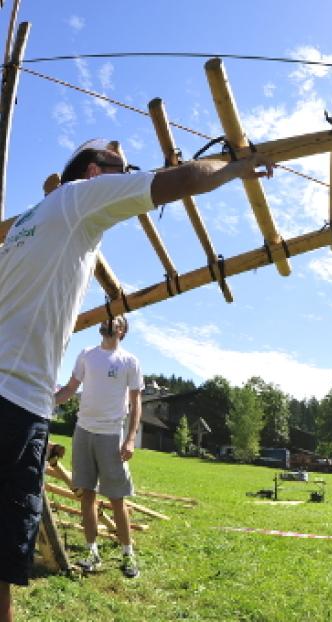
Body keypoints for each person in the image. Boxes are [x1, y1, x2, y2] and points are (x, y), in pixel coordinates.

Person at [0, 138, 273, 621]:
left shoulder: (30, 221)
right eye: (120, 169)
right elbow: (185, 180)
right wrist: (238, 166)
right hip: (15, 399)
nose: (127, 177)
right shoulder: (77, 198)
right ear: (91, 173)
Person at [54, 315, 143, 578]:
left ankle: (128, 555)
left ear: (122, 330)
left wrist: (129, 439)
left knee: (117, 498)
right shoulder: (86, 354)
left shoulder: (129, 361)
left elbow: (136, 403)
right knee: (87, 495)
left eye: (115, 319)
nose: (108, 320)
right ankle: (92, 552)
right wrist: (45, 402)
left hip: (111, 434)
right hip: (83, 431)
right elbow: (69, 390)